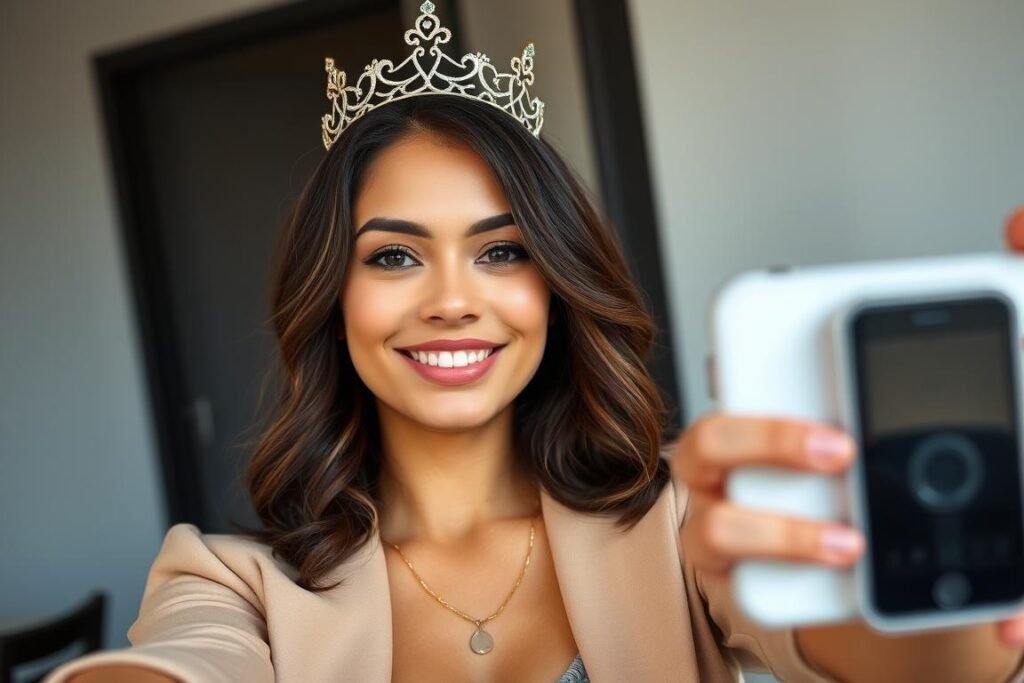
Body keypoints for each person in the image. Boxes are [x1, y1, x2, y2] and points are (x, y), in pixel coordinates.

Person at [44, 4, 1024, 681]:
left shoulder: (681, 523)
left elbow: (913, 663)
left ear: (555, 284)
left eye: (501, 250)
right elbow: (181, 661)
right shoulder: (232, 581)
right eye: (393, 258)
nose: (452, 300)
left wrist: (944, 571)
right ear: (328, 296)